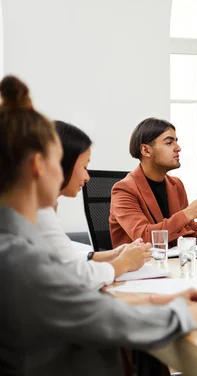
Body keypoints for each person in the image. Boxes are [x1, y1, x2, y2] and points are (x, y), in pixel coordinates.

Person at [0, 108, 197, 375]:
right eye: (61, 163)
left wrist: (161, 300)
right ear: (37, 166)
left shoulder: (20, 241)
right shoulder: (20, 259)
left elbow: (77, 303)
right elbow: (106, 317)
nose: (85, 177)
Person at [37, 120, 151, 290]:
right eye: (84, 166)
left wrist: (110, 255)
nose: (87, 176)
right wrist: (123, 263)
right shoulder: (38, 212)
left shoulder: (43, 209)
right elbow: (75, 274)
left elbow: (60, 257)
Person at [110, 118, 197, 248]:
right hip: (141, 265)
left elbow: (185, 232)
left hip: (171, 263)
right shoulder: (123, 190)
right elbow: (144, 237)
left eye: (176, 142)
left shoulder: (176, 184)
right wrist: (188, 213)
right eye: (169, 143)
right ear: (146, 150)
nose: (178, 148)